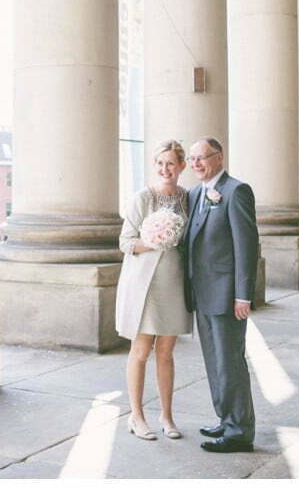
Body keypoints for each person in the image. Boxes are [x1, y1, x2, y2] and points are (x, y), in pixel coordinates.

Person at [183, 136, 258, 453]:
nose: (196, 164)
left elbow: (247, 246)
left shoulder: (235, 191)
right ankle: (226, 419)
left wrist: (244, 295)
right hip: (202, 294)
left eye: (202, 157)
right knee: (215, 362)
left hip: (227, 296)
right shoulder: (195, 193)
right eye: (192, 159)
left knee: (230, 362)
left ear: (219, 158)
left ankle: (240, 431)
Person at [116, 140, 193, 441]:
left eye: (171, 163)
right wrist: (154, 240)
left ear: (182, 166)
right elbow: (125, 242)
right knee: (141, 350)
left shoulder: (188, 198)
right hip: (145, 285)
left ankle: (167, 416)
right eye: (160, 163)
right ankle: (136, 416)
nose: (165, 169)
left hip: (174, 284)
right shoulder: (142, 198)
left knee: (166, 352)